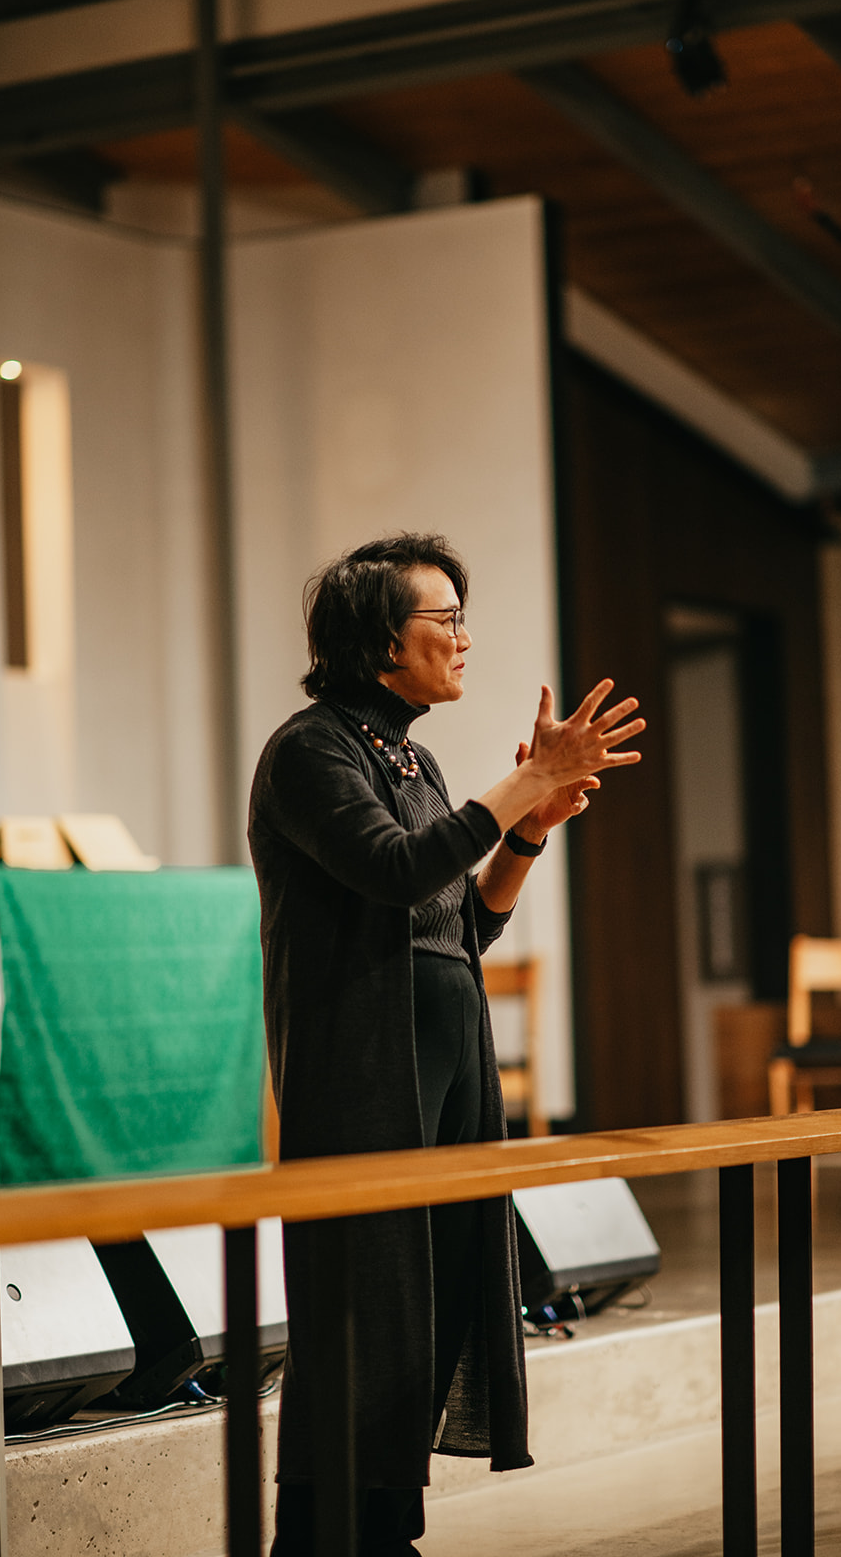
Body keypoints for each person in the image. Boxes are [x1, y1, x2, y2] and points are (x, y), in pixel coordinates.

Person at [248, 532, 644, 1555]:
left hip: (446, 1065)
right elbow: (392, 868)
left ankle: (388, 1535)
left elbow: (459, 923)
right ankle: (325, 1540)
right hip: (364, 1070)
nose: (466, 638)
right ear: (381, 640)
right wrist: (512, 789)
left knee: (427, 1308)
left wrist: (527, 829)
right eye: (446, 619)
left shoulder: (410, 755)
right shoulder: (312, 749)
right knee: (360, 1318)